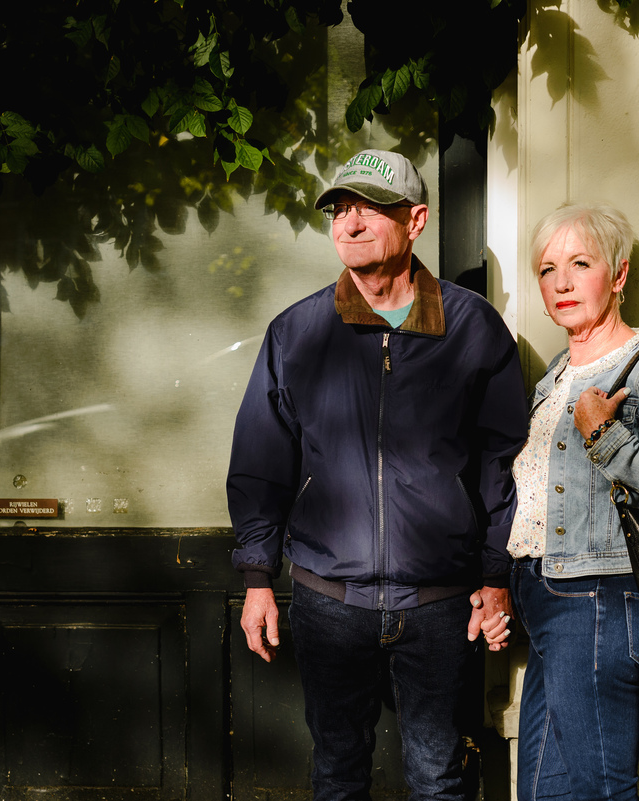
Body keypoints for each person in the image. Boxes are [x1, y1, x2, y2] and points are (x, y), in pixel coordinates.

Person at [227, 148, 528, 801]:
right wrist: (256, 578)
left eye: (369, 207)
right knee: (337, 772)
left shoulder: (471, 327)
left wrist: (494, 575)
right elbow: (260, 462)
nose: (350, 222)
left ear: (415, 220)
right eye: (340, 208)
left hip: (441, 605)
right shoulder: (298, 333)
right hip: (328, 598)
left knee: (439, 775)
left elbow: (504, 462)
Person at [508, 203, 639, 801]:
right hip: (543, 599)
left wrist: (608, 438)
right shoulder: (551, 380)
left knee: (599, 790)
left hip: (597, 602)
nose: (563, 282)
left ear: (619, 276)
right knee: (545, 794)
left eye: (581, 263)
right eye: (548, 269)